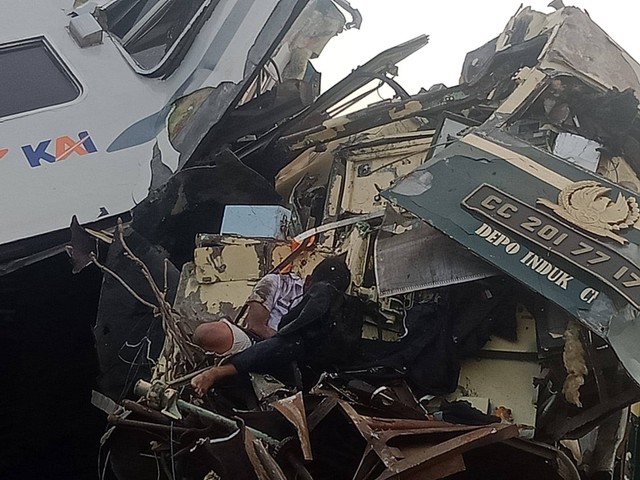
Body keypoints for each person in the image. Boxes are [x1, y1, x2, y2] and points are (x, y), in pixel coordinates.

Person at [191, 258, 353, 396]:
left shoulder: (333, 309)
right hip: (255, 342)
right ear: (309, 280)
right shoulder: (277, 282)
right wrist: (282, 342)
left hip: (292, 359)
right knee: (208, 333)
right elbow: (255, 325)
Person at [192, 272, 304, 357]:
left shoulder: (319, 303)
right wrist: (285, 344)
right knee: (209, 334)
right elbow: (256, 326)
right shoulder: (280, 283)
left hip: (287, 355)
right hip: (254, 339)